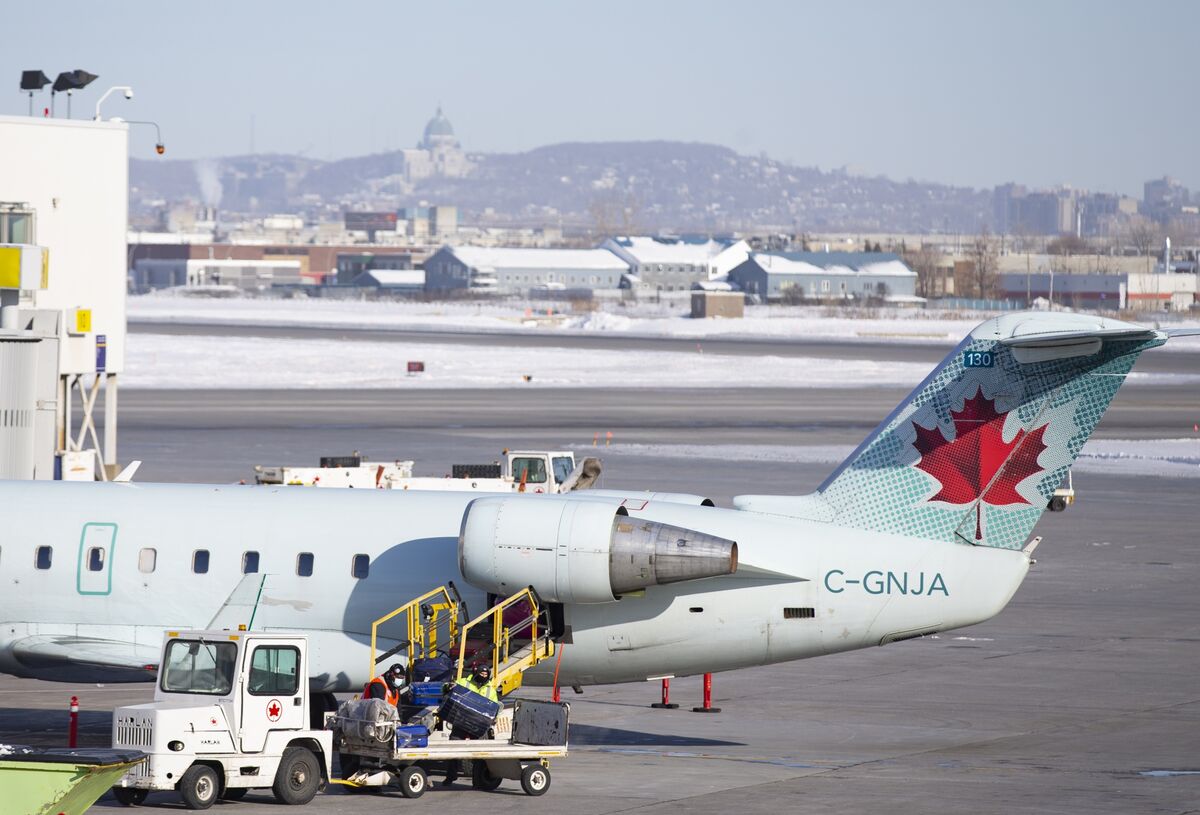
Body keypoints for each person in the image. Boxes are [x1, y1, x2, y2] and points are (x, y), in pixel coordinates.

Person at [442, 664, 499, 786]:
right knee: (453, 747)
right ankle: (451, 776)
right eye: (481, 674)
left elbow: (495, 708)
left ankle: (478, 779)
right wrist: (448, 687)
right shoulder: (463, 682)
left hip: (478, 725)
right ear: (475, 673)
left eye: (486, 675)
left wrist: (494, 719)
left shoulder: (490, 690)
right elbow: (447, 689)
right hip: (461, 721)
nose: (483, 676)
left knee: (480, 753)